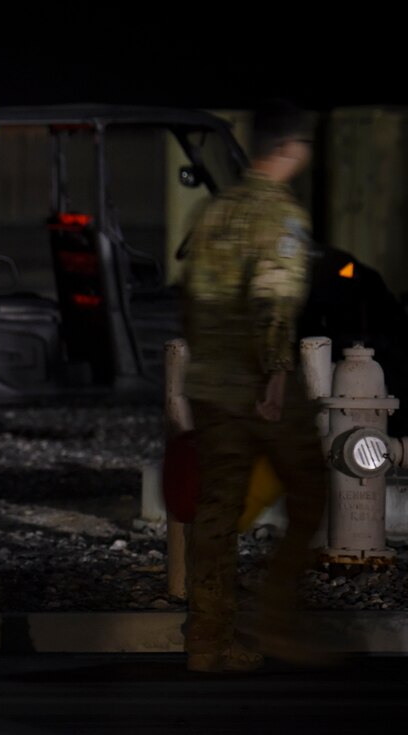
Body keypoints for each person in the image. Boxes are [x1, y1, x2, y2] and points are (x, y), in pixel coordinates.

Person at [181, 100, 329, 673]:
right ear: (291, 149)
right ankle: (275, 624)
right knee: (311, 490)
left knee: (218, 510)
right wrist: (274, 374)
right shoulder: (281, 213)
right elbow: (274, 296)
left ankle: (208, 641)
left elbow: (191, 298)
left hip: (211, 380)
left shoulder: (214, 210)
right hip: (259, 382)